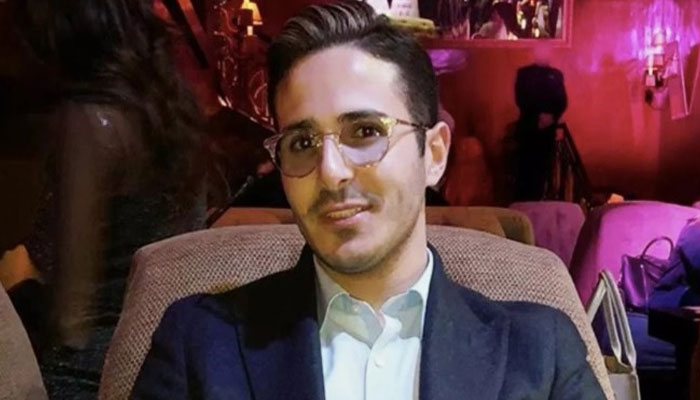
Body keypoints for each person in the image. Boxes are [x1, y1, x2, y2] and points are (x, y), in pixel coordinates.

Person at [131, 2, 605, 399]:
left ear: (434, 155)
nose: (331, 171)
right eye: (302, 142)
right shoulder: (199, 342)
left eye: (364, 132)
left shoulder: (539, 352)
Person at [3, 0, 207, 397]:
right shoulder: (173, 106)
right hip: (166, 355)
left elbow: (71, 318)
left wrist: (20, 285)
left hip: (89, 371)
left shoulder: (87, 119)